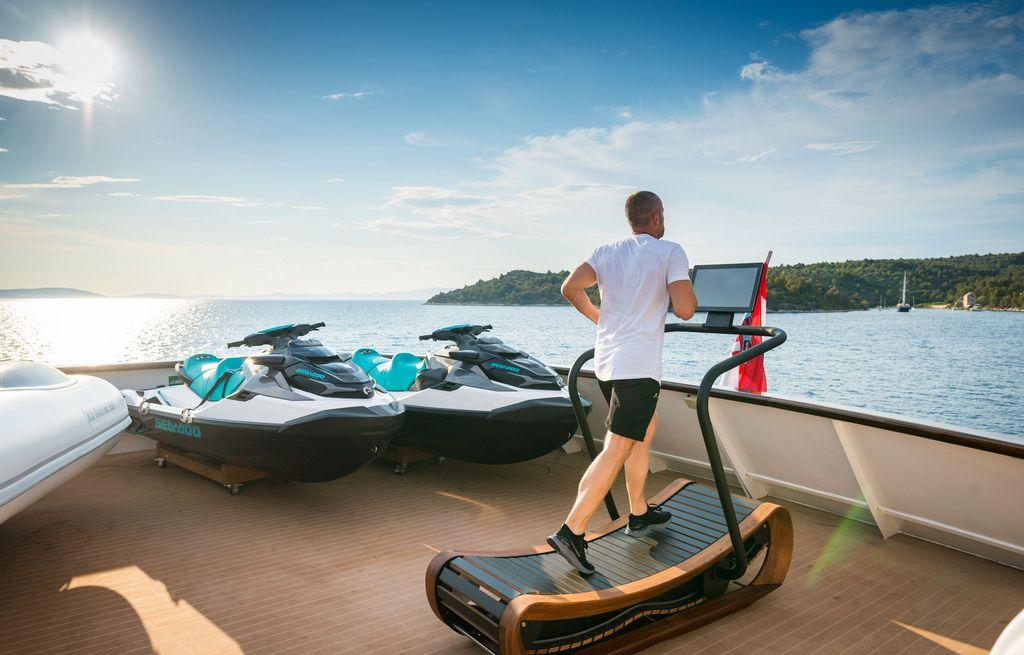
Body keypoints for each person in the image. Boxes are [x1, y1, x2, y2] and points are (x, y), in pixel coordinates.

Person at [547, 190, 697, 575]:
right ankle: (572, 531)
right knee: (616, 448)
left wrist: (602, 320)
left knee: (646, 429)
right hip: (637, 366)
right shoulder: (670, 252)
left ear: (631, 219)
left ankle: (639, 511)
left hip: (608, 362)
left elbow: (569, 288)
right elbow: (685, 309)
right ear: (658, 217)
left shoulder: (606, 251)